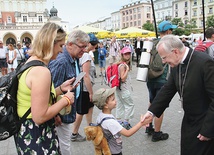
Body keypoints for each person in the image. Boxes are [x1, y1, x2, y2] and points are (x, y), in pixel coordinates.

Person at [142, 34, 214, 155]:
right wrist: (151, 113)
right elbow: (167, 90)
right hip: (189, 121)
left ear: (175, 51)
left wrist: (208, 129)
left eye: (164, 58)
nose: (164, 62)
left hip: (206, 122)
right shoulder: (176, 64)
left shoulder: (204, 63)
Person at [14, 22, 75, 154]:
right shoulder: (41, 71)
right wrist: (65, 100)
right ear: (49, 43)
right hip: (37, 135)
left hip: (27, 132)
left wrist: (59, 89)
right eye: (60, 46)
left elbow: (36, 97)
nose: (61, 50)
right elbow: (40, 116)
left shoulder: (30, 62)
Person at [48, 29, 89, 154]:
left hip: (66, 110)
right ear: (70, 44)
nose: (84, 50)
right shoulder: (61, 61)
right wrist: (55, 115)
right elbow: (50, 92)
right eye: (82, 47)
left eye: (85, 47)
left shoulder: (74, 57)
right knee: (64, 147)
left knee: (63, 144)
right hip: (60, 114)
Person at [146, 20, 177, 142]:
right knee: (160, 106)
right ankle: (157, 133)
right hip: (161, 79)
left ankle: (149, 127)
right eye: (172, 30)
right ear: (168, 31)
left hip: (150, 78)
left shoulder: (153, 43)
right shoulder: (168, 45)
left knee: (151, 101)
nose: (173, 33)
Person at [93, 87, 144, 155]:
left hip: (106, 149)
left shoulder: (100, 116)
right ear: (105, 105)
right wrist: (141, 123)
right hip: (114, 151)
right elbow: (127, 133)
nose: (116, 101)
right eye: (113, 99)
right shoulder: (110, 122)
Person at [71, 33, 99, 142]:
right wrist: (91, 92)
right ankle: (74, 133)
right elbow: (85, 75)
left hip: (83, 87)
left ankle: (90, 130)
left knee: (88, 109)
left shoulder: (82, 55)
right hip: (85, 88)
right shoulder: (86, 56)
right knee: (81, 111)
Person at [115, 46, 134, 130]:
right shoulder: (123, 65)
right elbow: (123, 78)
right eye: (126, 54)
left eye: (129, 53)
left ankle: (118, 122)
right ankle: (126, 123)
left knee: (120, 105)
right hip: (123, 89)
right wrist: (127, 69)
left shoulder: (119, 64)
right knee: (130, 105)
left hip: (118, 89)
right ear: (122, 55)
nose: (128, 55)